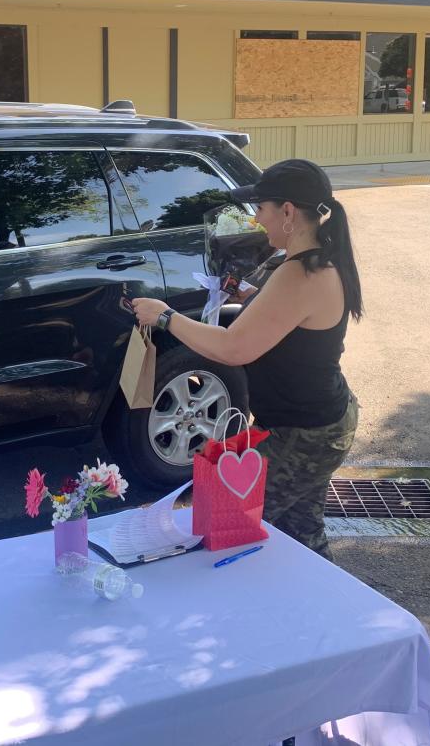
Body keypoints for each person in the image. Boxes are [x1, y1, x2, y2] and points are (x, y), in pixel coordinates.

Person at [132, 159, 363, 560]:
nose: (256, 219)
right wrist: (251, 297)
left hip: (303, 433)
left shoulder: (298, 274)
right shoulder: (320, 260)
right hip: (320, 422)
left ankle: (241, 614)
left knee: (226, 530)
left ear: (288, 211)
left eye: (261, 208)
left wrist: (165, 317)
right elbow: (293, 320)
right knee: (301, 534)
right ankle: (324, 610)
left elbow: (233, 348)